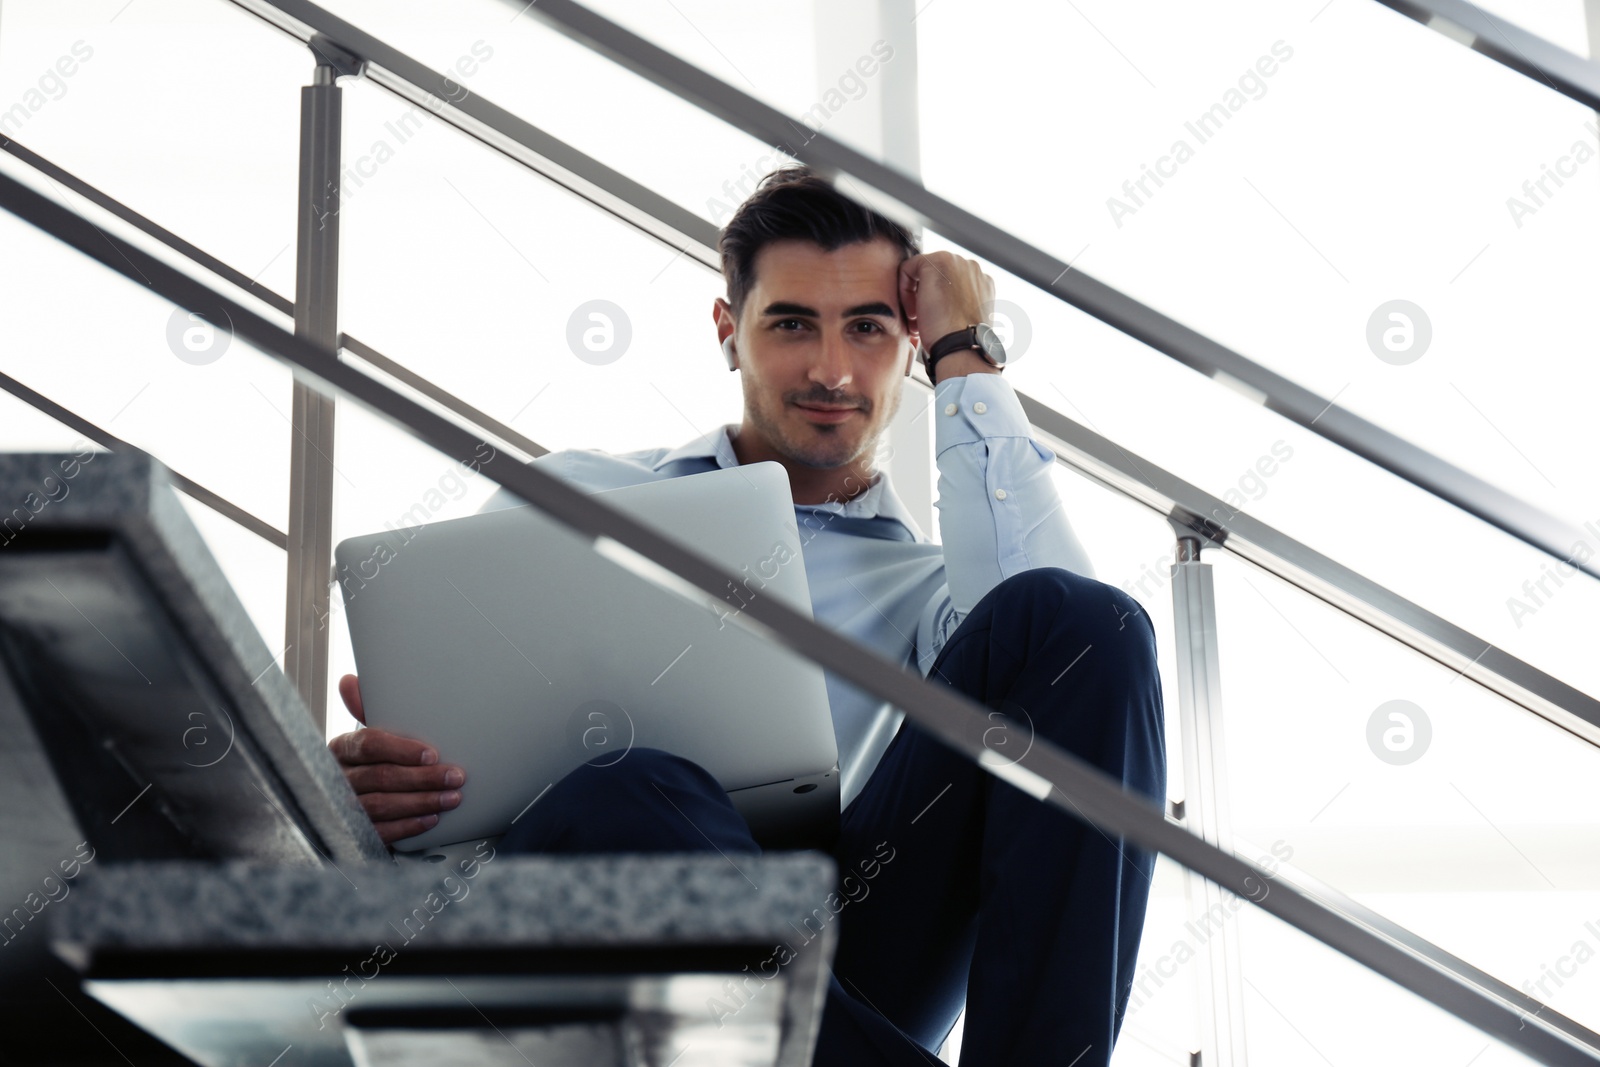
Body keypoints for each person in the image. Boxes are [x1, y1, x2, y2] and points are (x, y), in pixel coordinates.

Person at [328, 166, 1166, 1065]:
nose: (832, 368)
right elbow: (432, 751)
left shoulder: (936, 597)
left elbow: (1071, 664)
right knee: (636, 789)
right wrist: (366, 787)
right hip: (582, 928)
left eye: (870, 328)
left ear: (909, 343)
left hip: (838, 966)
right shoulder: (578, 492)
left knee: (1090, 625)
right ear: (729, 332)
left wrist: (965, 348)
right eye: (792, 323)